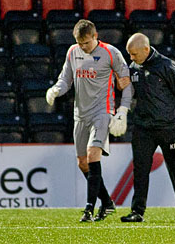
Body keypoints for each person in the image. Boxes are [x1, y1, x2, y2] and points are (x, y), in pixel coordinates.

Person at [45, 19, 133, 222]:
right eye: (79, 43)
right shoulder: (72, 52)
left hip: (102, 111)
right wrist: (56, 89)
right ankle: (108, 203)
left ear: (95, 36)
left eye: (86, 43)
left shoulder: (111, 53)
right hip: (80, 114)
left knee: (93, 154)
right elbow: (66, 79)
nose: (83, 47)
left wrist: (123, 110)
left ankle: (88, 210)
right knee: (82, 163)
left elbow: (126, 83)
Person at [120, 33, 175, 222]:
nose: (132, 58)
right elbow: (128, 94)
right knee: (140, 170)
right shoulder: (133, 68)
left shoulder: (167, 66)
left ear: (146, 49)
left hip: (168, 126)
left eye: (134, 54)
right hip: (143, 127)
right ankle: (137, 212)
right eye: (130, 55)